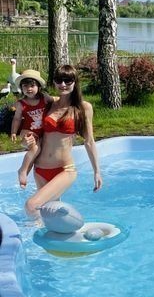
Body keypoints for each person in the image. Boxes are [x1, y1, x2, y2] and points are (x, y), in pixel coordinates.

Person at [24, 64, 102, 221]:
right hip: (40, 168)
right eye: (59, 80)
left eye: (68, 80)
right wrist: (27, 142)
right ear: (54, 82)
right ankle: (49, 235)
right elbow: (34, 132)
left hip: (64, 169)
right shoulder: (48, 103)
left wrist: (97, 171)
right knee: (48, 213)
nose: (63, 84)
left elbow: (89, 141)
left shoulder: (83, 107)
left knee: (31, 206)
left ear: (75, 82)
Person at [10, 69, 54, 189]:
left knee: (35, 154)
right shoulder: (21, 104)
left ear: (38, 87)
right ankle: (23, 170)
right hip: (28, 130)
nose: (29, 89)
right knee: (35, 148)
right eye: (25, 86)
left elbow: (55, 103)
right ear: (21, 88)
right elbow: (17, 119)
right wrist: (13, 132)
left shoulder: (45, 98)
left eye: (32, 86)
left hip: (42, 131)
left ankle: (25, 174)